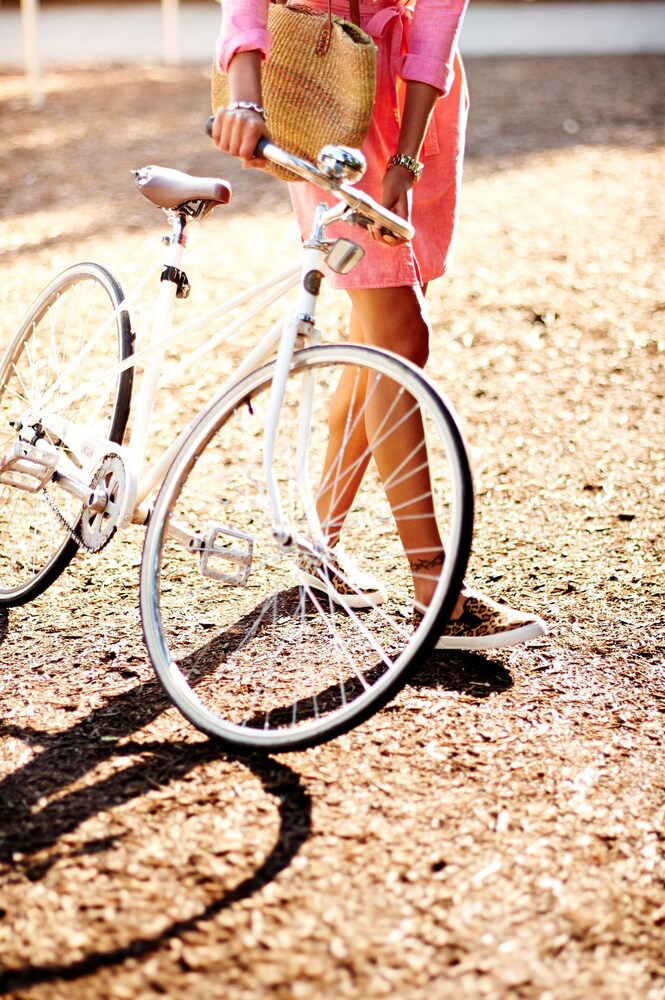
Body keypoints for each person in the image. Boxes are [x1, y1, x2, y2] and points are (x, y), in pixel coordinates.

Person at [211, 0, 546, 651]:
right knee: (400, 336)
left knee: (378, 331)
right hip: (323, 88)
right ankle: (434, 590)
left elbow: (436, 23)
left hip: (414, 103)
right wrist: (244, 94)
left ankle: (317, 541)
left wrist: (407, 159)